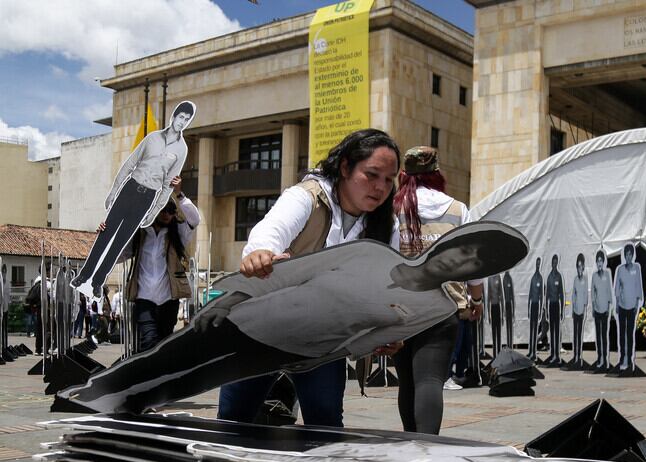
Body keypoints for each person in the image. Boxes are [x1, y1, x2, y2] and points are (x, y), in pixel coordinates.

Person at [58, 223, 526, 415]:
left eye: (476, 262)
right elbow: (288, 274)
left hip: (293, 349)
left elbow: (368, 339)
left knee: (194, 378)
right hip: (253, 316)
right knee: (166, 358)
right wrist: (228, 298)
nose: (462, 260)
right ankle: (93, 396)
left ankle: (127, 405)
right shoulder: (372, 253)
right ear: (450, 244)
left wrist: (322, 358)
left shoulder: (437, 308)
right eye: (464, 249)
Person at [215, 129, 400, 426]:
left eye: (389, 180)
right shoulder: (307, 197)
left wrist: (389, 330)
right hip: (263, 327)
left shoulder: (386, 225)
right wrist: (261, 253)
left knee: (325, 421)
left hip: (323, 336)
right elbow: (270, 231)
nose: (380, 187)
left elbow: (388, 288)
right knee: (234, 419)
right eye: (372, 175)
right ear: (345, 167)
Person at [392, 145, 485, 434]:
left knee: (407, 381)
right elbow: (472, 259)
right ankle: (427, 445)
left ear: (404, 174)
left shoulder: (393, 209)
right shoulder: (458, 209)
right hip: (444, 307)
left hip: (402, 308)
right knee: (430, 379)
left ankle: (411, 440)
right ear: (437, 173)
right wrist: (476, 299)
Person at [73, 102, 196, 298]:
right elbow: (130, 163)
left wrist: (153, 212)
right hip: (130, 188)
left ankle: (97, 282)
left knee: (119, 242)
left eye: (187, 120)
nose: (182, 122)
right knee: (105, 235)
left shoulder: (182, 149)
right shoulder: (152, 138)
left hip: (147, 197)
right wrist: (114, 191)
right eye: (181, 117)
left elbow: (167, 185)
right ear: (174, 116)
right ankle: (84, 276)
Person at [104, 176, 200, 353]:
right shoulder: (139, 234)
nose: (167, 215)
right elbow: (118, 255)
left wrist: (179, 194)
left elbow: (194, 219)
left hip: (168, 299)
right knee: (148, 341)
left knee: (163, 344)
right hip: (144, 298)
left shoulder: (177, 235)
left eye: (171, 211)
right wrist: (105, 237)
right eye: (164, 210)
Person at [614, 243, 643, 371]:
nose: (628, 256)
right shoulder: (620, 269)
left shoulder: (636, 268)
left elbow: (638, 285)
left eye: (630, 254)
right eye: (627, 254)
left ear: (633, 255)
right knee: (622, 333)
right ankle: (622, 357)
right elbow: (617, 287)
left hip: (632, 306)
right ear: (624, 256)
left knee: (630, 334)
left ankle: (630, 358)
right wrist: (616, 304)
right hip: (622, 305)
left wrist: (637, 304)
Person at [591, 248, 614, 371]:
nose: (599, 263)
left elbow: (609, 291)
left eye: (601, 261)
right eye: (598, 261)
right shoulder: (594, 276)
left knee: (604, 336)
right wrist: (593, 307)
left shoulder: (607, 274)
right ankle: (599, 358)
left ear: (603, 262)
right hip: (597, 309)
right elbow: (592, 293)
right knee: (598, 335)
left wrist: (610, 308)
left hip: (605, 309)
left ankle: (605, 359)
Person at [564, 253, 588, 369]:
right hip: (575, 310)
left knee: (580, 334)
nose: (579, 268)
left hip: (582, 311)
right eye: (578, 266)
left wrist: (585, 310)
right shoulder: (575, 280)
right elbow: (574, 295)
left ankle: (579, 356)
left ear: (583, 267)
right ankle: (575, 356)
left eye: (581, 266)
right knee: (575, 335)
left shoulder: (585, 280)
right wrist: (573, 309)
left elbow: (585, 296)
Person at [545, 255, 564, 367]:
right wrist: (546, 310)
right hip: (551, 306)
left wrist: (562, 311)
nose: (554, 264)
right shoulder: (549, 277)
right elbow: (547, 295)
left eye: (556, 263)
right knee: (552, 331)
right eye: (553, 262)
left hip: (557, 305)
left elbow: (561, 294)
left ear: (557, 263)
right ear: (551, 263)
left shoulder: (559, 276)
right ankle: (552, 354)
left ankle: (557, 355)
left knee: (557, 331)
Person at [526, 258, 544, 361]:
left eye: (539, 264)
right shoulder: (533, 277)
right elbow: (530, 294)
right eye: (536, 263)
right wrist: (528, 308)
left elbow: (541, 295)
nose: (537, 265)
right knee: (531, 330)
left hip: (537, 305)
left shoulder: (540, 278)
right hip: (532, 305)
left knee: (535, 329)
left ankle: (534, 352)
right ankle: (530, 351)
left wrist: (540, 311)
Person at [487, 274, 504, 354]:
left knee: (499, 332)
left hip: (498, 307)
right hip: (492, 307)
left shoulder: (499, 277)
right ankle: (494, 354)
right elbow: (488, 296)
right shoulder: (489, 278)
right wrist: (489, 314)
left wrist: (503, 314)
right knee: (494, 332)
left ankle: (499, 352)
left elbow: (502, 295)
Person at [502, 271, 515, 348]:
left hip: (509, 304)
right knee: (508, 326)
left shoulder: (509, 278)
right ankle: (509, 343)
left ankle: (511, 344)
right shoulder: (504, 278)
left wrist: (513, 311)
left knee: (510, 326)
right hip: (506, 304)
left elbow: (512, 295)